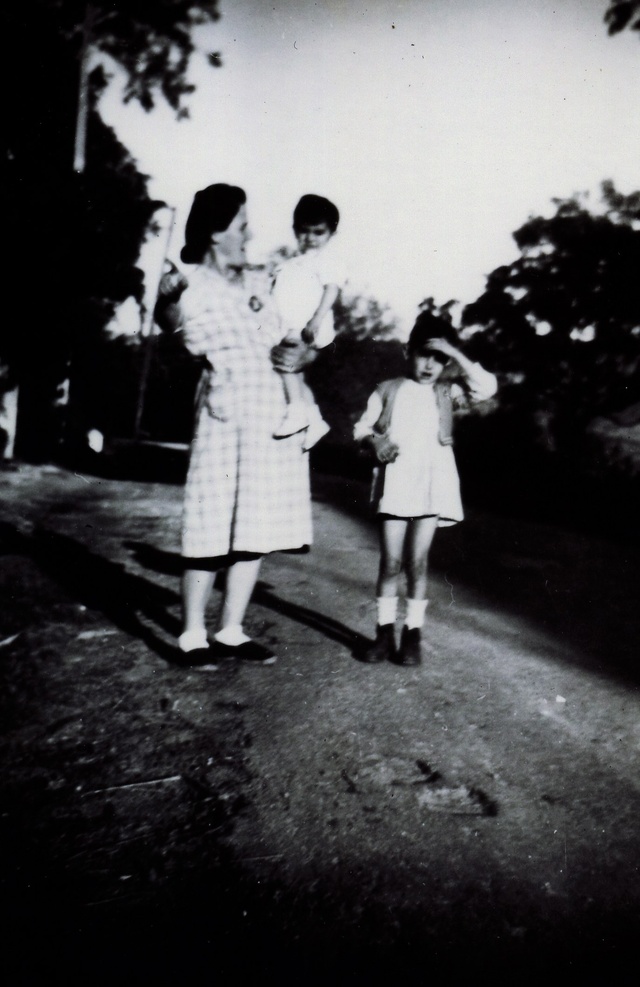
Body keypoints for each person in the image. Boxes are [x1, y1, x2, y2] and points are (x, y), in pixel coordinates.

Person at [155, 184, 317, 667]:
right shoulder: (189, 282)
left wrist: (300, 351)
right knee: (210, 521)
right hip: (224, 415)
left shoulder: (256, 282)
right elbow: (172, 325)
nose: (250, 234)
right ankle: (190, 636)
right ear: (215, 231)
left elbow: (287, 336)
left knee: (254, 525)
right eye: (242, 225)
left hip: (269, 412)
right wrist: (166, 301)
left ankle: (230, 630)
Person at [353, 311, 498, 667]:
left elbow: (487, 387)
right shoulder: (387, 389)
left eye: (440, 358)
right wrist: (375, 442)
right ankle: (383, 635)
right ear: (408, 351)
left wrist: (457, 352)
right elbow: (360, 428)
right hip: (397, 482)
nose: (431, 365)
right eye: (424, 354)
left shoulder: (448, 392)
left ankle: (413, 636)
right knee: (390, 562)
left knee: (418, 563)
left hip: (433, 485)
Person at [271, 194, 347, 446]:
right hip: (290, 323)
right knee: (295, 371)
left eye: (318, 232)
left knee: (285, 362)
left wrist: (316, 320)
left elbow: (332, 289)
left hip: (308, 324)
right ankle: (314, 419)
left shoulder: (326, 260)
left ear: (330, 233)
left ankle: (295, 411)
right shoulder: (291, 264)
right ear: (295, 230)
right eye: (304, 232)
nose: (310, 239)